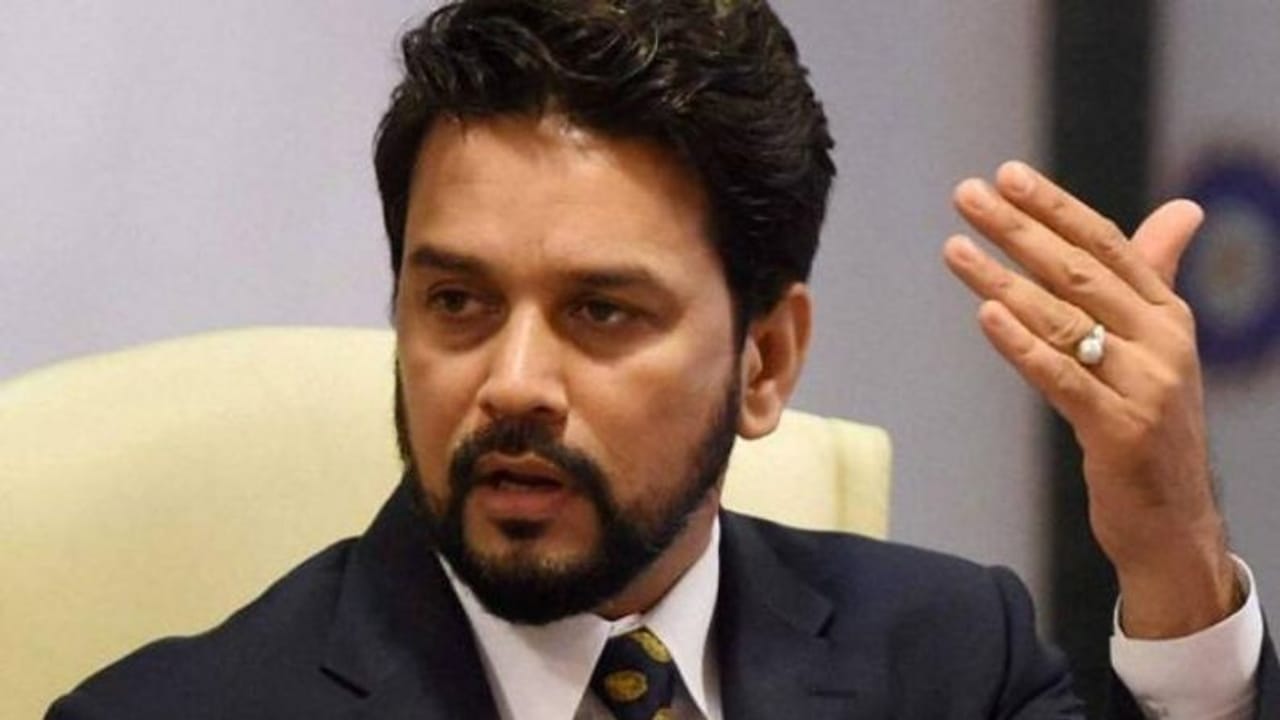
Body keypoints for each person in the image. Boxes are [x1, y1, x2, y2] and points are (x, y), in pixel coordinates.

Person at [47, 1, 1274, 717]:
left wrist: (1172, 553)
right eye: (457, 300)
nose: (511, 381)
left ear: (763, 361)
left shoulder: (948, 661)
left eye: (600, 312)